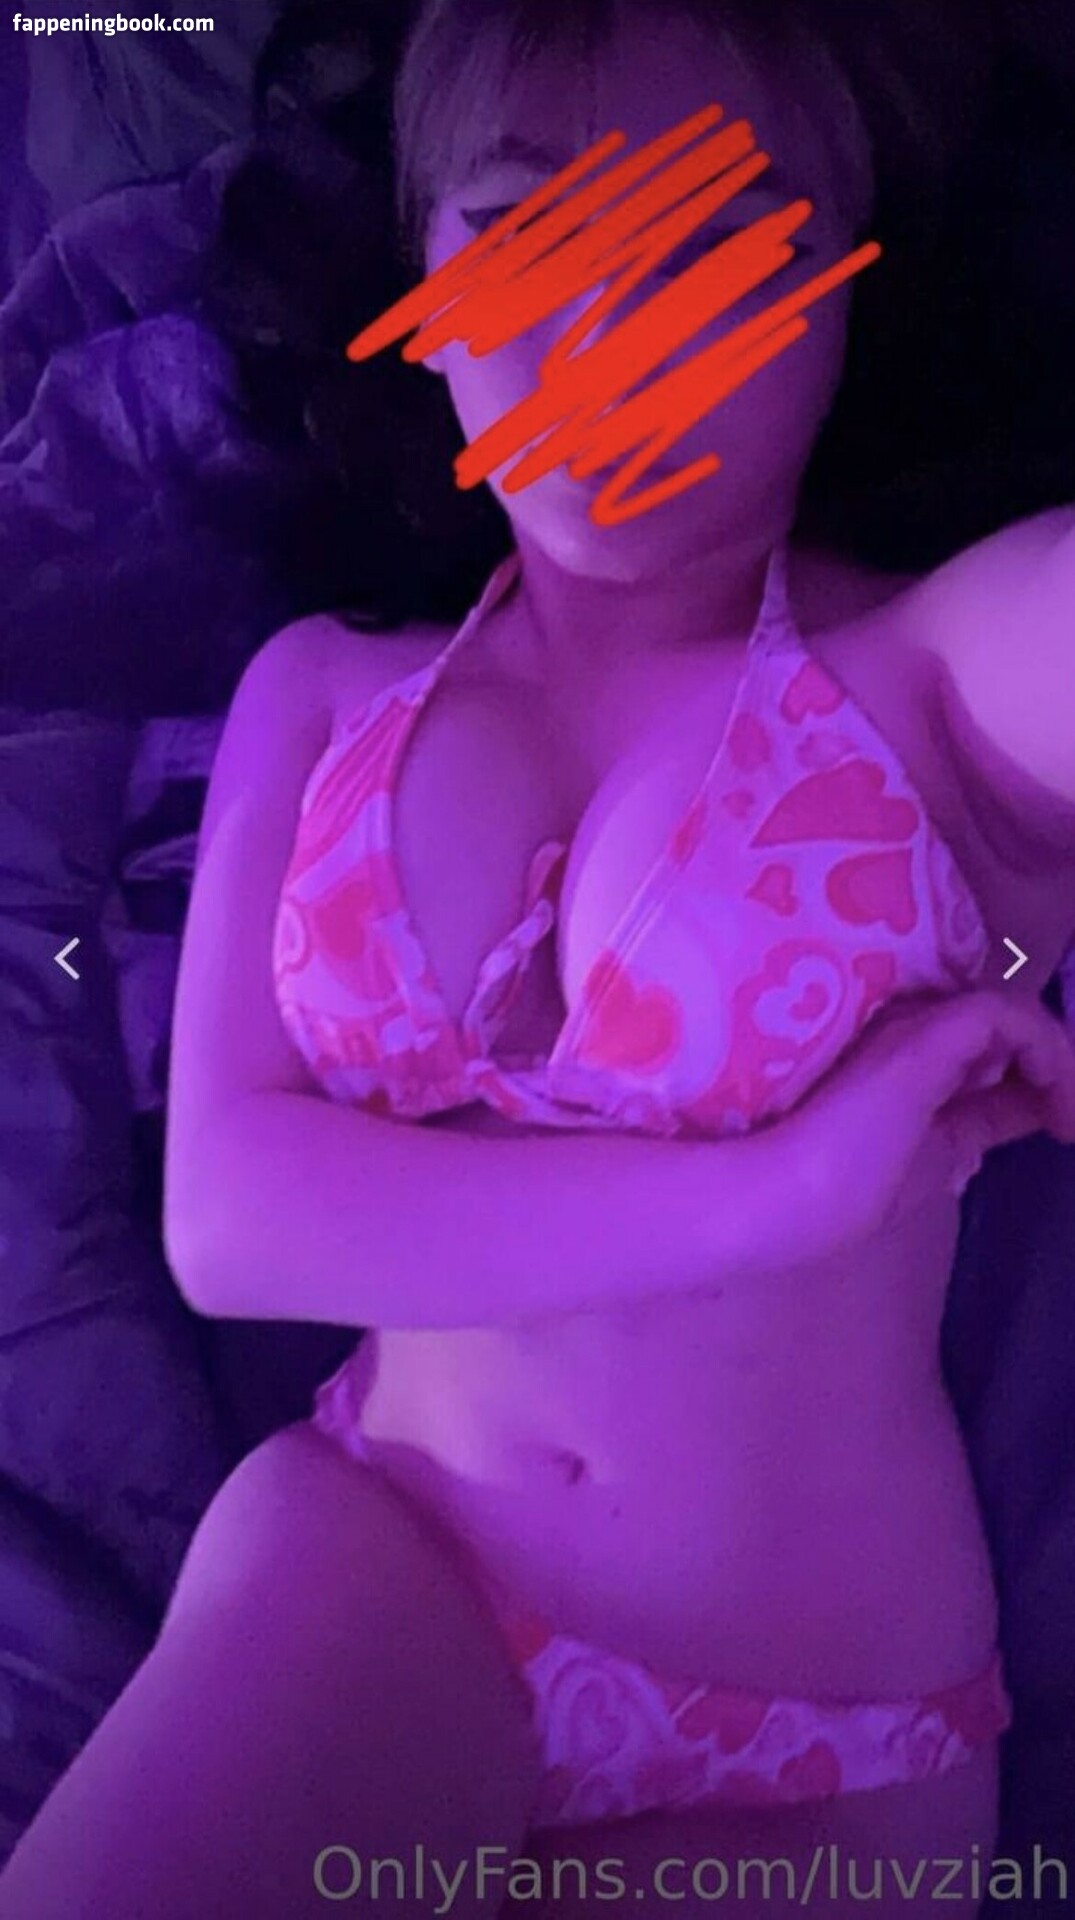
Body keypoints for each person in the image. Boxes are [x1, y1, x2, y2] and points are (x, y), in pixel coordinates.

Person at [4, 1, 1075, 1914]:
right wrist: (790, 1184)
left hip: (834, 1724)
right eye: (523, 235)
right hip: (393, 1566)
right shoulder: (319, 692)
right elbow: (239, 1224)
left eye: (711, 245)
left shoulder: (939, 683)